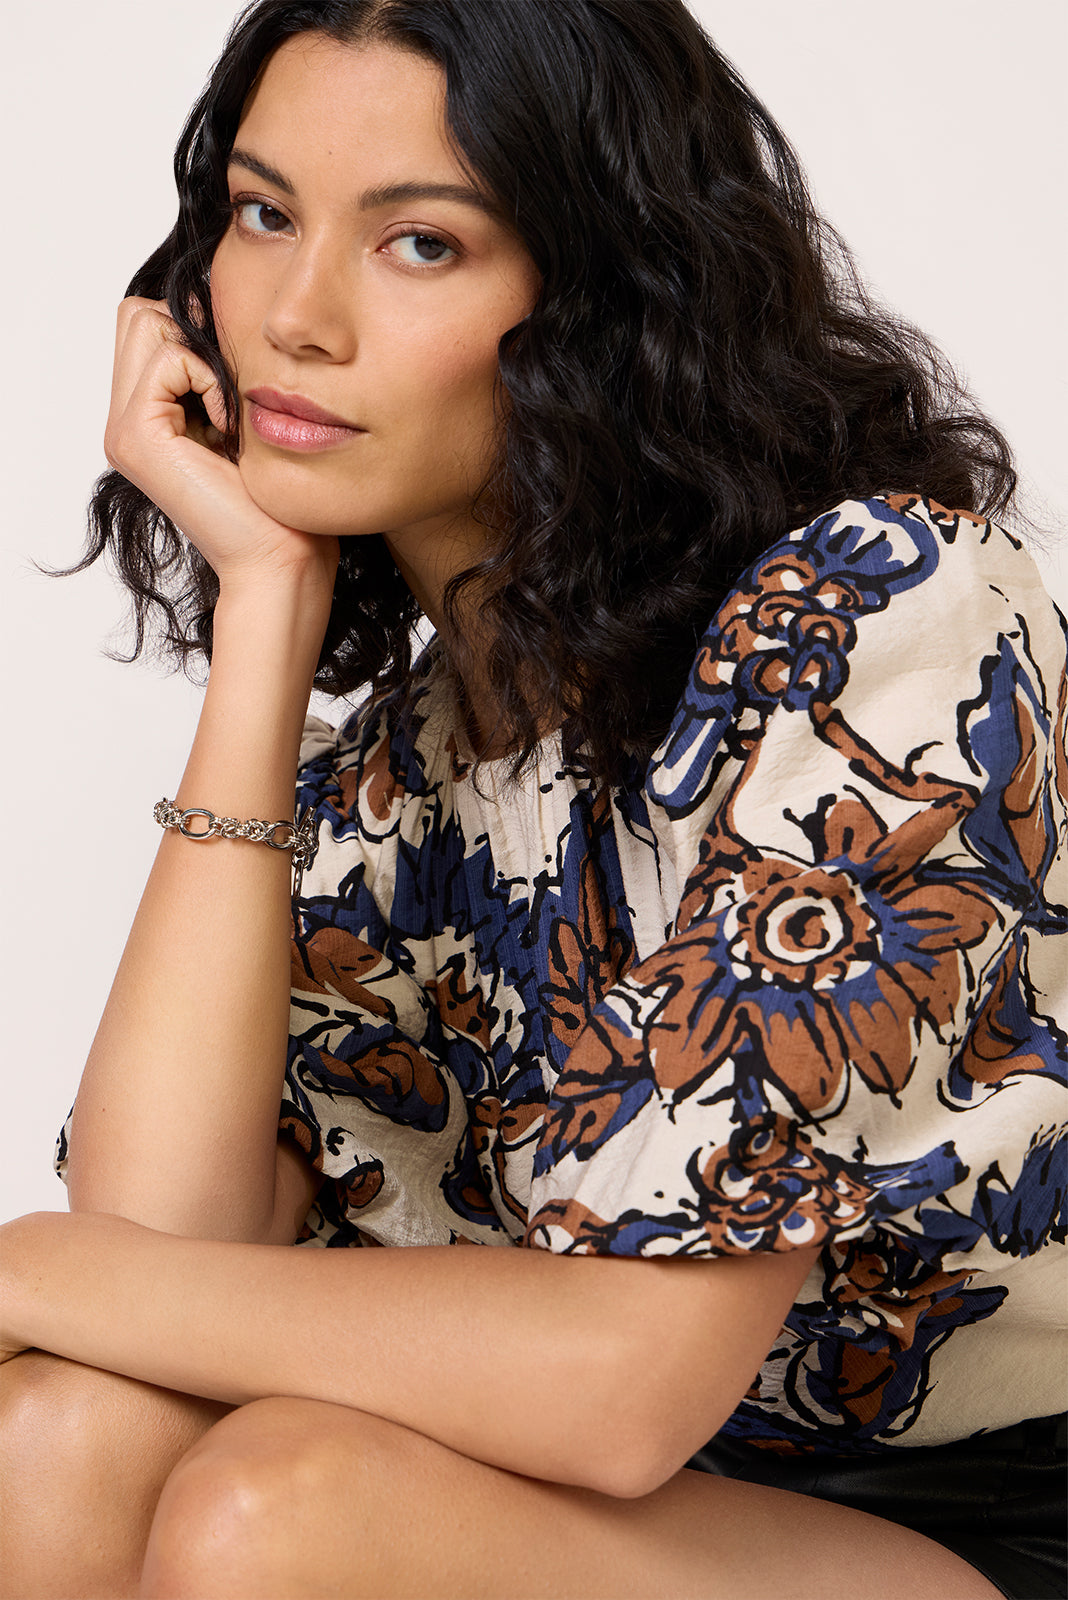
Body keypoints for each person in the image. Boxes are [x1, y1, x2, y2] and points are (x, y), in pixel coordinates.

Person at [1, 0, 1064, 1595]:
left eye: (420, 243)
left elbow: (622, 1387)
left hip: (959, 1526)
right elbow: (159, 1250)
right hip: (582, 1506)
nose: (293, 317)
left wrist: (32, 1270)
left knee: (277, 1512)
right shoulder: (399, 777)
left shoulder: (879, 612)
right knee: (55, 1435)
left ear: (604, 297)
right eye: (263, 214)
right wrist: (266, 617)